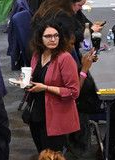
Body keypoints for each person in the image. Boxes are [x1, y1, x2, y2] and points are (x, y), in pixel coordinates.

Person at [26, 21, 80, 153]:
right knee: (42, 153)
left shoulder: (65, 58)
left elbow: (74, 92)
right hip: (36, 113)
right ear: (40, 38)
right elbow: (34, 78)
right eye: (48, 36)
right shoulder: (37, 56)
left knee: (52, 155)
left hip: (55, 117)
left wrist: (46, 88)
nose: (53, 39)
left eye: (56, 35)